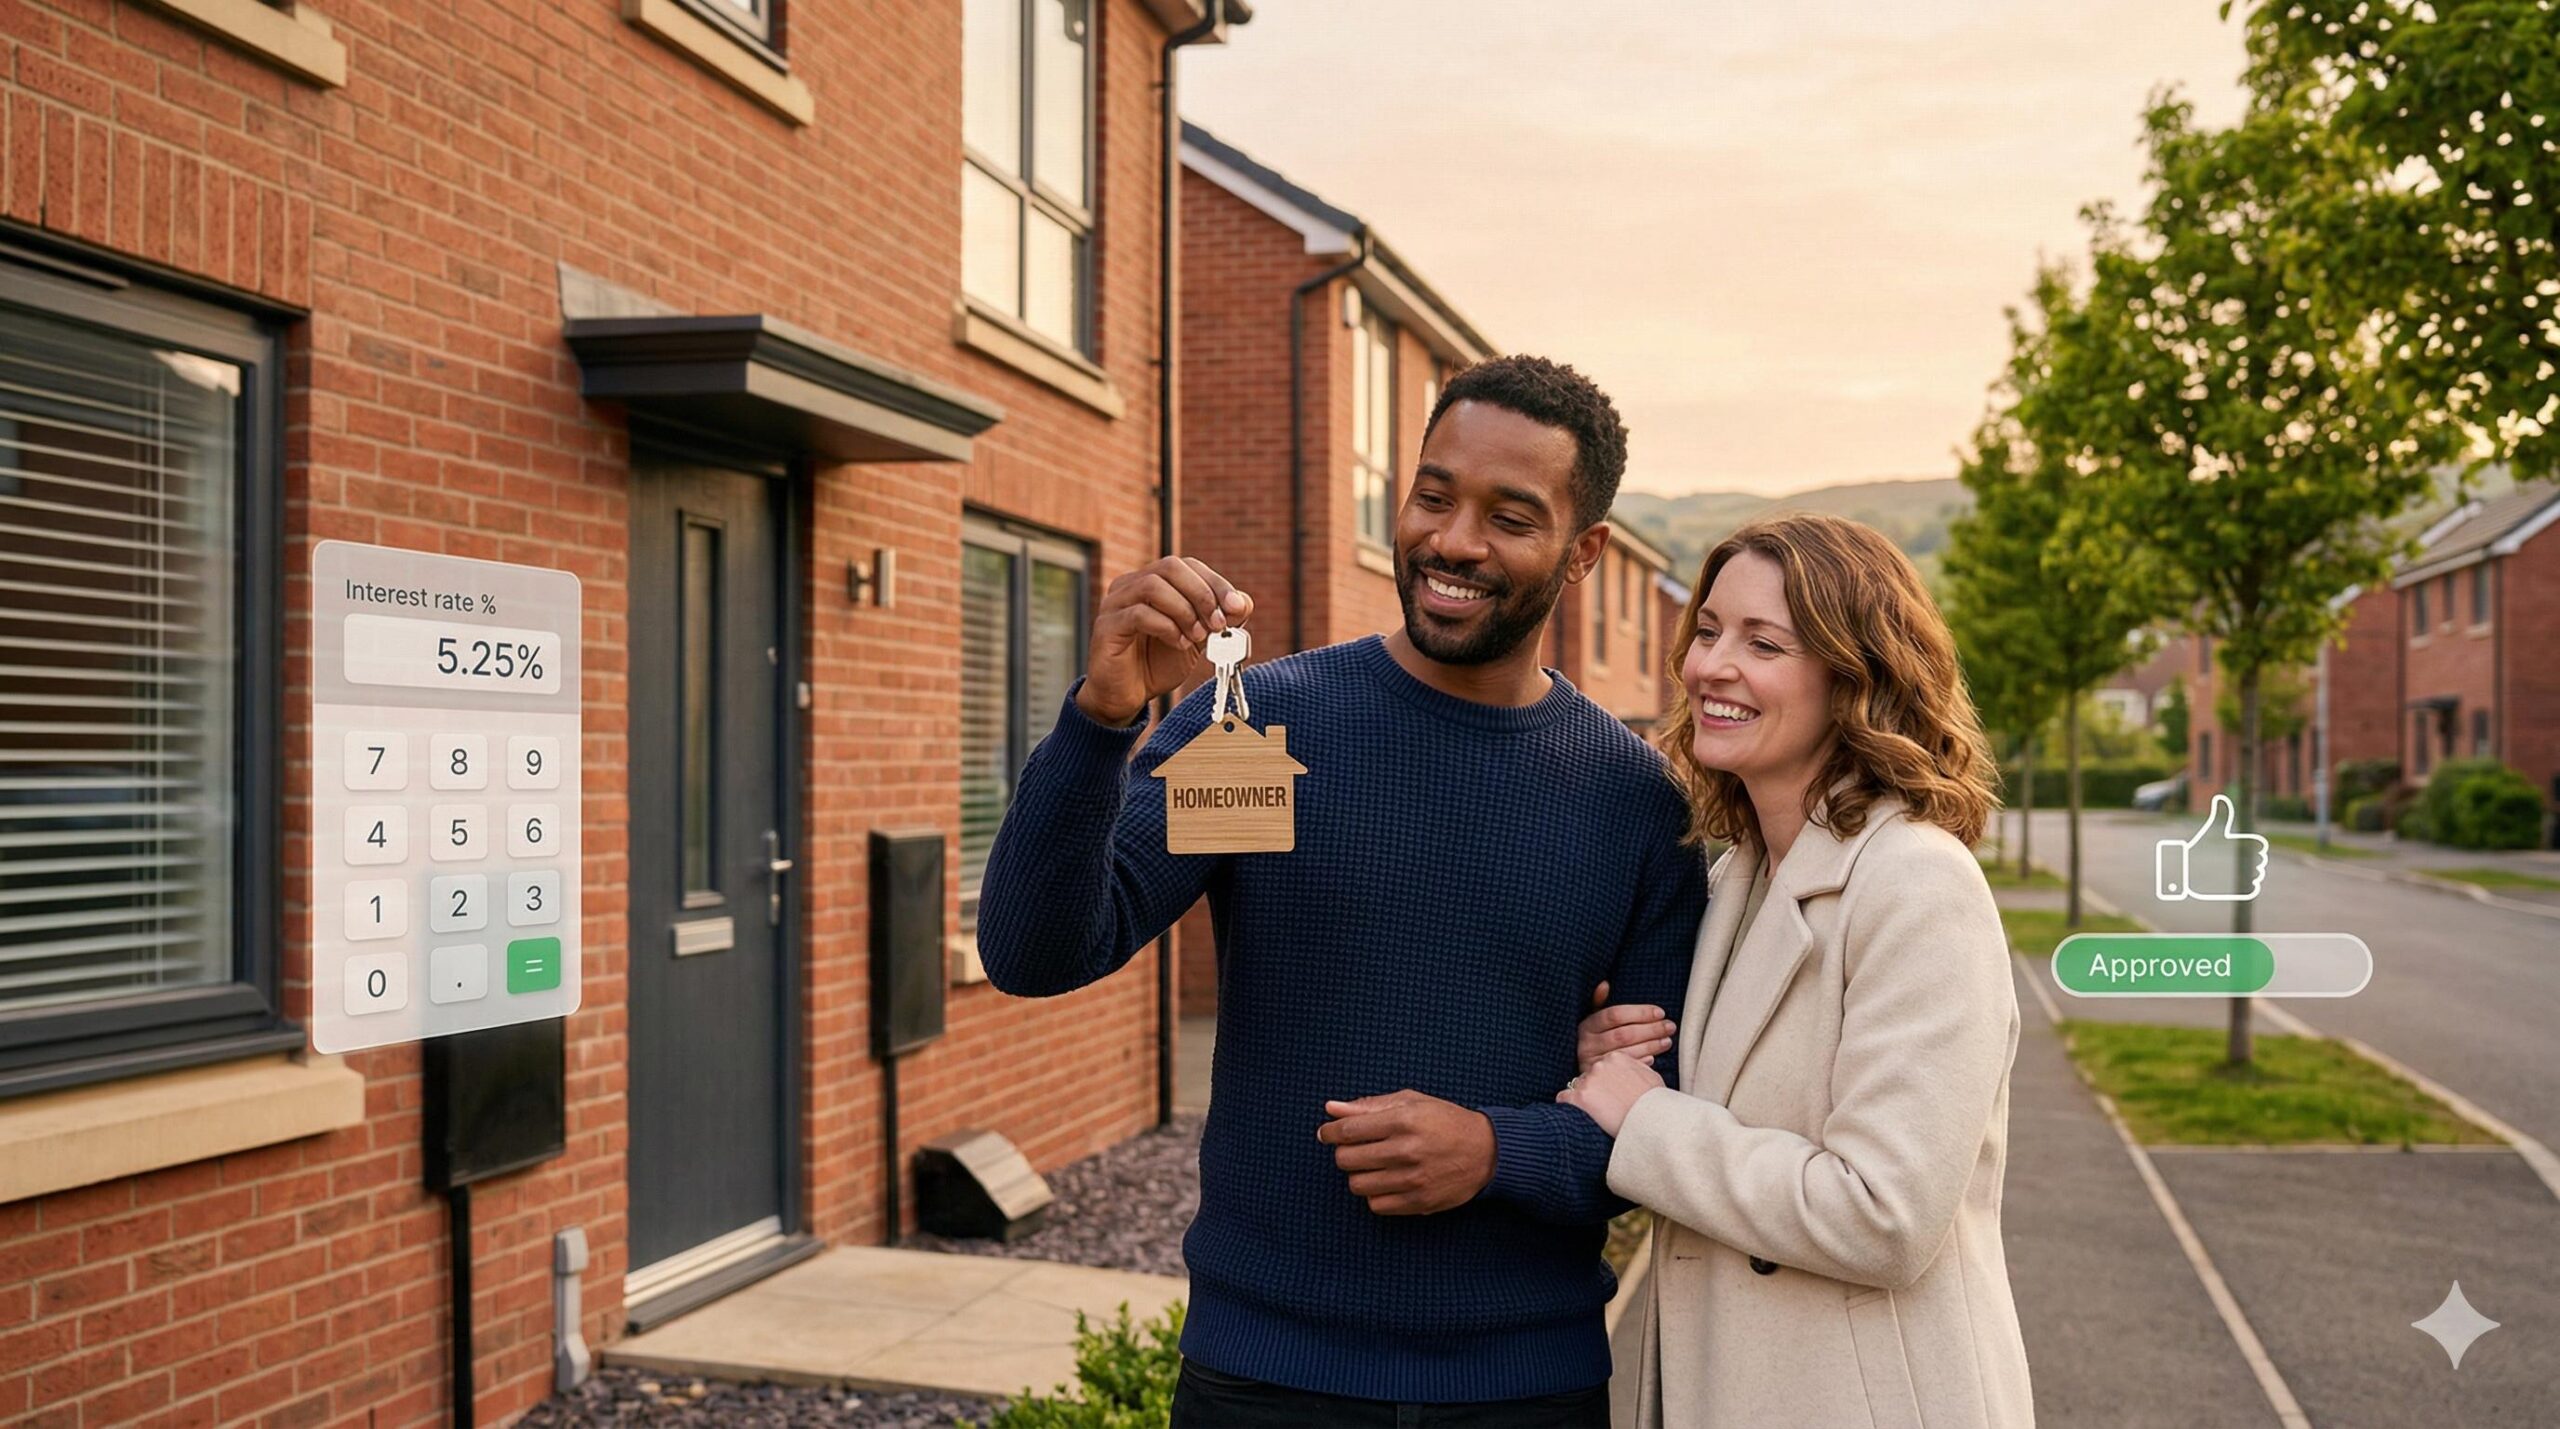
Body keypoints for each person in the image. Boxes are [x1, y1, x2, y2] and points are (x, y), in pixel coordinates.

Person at [977, 356, 1704, 1428]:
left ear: (1583, 551)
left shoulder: (1634, 801)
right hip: (1266, 1377)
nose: (1453, 540)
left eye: (1509, 515)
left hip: (1525, 1387)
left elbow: (1669, 1118)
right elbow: (1039, 953)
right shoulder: (1265, 731)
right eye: (1433, 495)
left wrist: (1496, 1150)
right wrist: (1101, 717)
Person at [1562, 512, 2034, 1428]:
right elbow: (1734, 1099)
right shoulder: (1742, 871)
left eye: (1763, 642)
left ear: (1854, 677)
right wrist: (1610, 1053)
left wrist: (1646, 1121)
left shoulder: (1917, 884)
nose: (1709, 666)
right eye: (1707, 630)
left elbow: (1883, 1213)